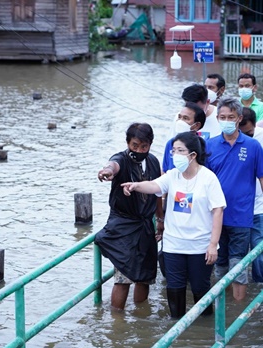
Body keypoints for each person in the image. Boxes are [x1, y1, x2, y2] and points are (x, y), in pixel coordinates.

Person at [122, 131, 225, 318]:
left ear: (192, 155)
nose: (175, 155)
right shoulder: (173, 175)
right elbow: (154, 186)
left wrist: (212, 245)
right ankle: (178, 330)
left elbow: (218, 211)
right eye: (173, 151)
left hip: (199, 246)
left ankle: (204, 329)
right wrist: (135, 185)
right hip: (173, 245)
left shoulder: (208, 178)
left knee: (200, 287)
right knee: (174, 286)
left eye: (180, 150)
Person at [95, 123, 163, 310]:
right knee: (123, 277)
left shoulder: (153, 162)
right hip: (123, 224)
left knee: (146, 277)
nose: (139, 150)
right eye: (134, 145)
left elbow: (158, 192)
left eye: (144, 146)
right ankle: (118, 322)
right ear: (127, 143)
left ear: (150, 145)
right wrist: (107, 171)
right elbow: (112, 165)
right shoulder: (121, 160)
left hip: (146, 225)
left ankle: (141, 316)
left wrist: (160, 220)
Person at [206, 96, 263, 300]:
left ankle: (238, 312)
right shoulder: (210, 146)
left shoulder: (253, 146)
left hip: (241, 216)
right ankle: (224, 308)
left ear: (239, 118)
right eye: (222, 117)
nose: (226, 120)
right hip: (215, 216)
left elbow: (262, 178)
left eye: (231, 116)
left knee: (238, 266)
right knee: (219, 265)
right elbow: (204, 182)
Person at [238, 107, 263, 283]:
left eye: (250, 133)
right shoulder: (230, 142)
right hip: (236, 208)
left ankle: (259, 290)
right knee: (236, 256)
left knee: (259, 253)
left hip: (259, 205)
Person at [162, 102, 206, 172]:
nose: (180, 121)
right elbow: (164, 170)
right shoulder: (171, 143)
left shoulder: (203, 146)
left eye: (185, 118)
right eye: (179, 117)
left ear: (197, 125)